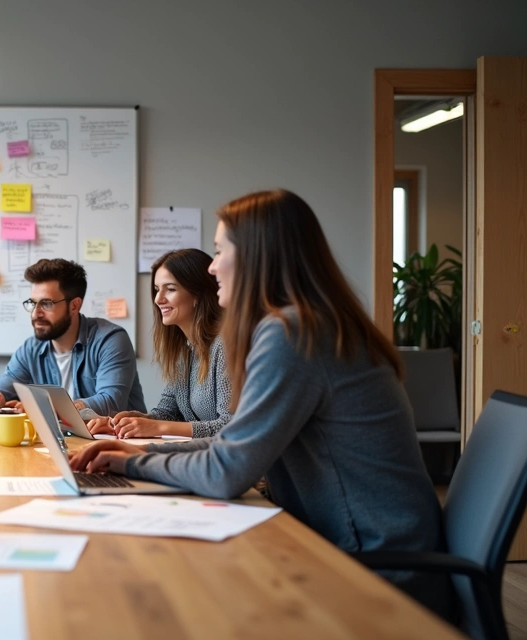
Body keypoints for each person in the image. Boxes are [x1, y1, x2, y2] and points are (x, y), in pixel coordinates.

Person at [69, 189, 452, 615]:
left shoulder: (294, 333)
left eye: (219, 251)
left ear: (257, 255)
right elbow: (235, 440)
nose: (212, 267)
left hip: (376, 566)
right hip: (361, 542)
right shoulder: (308, 322)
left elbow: (226, 471)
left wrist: (131, 464)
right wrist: (140, 452)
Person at [86, 248, 232, 438]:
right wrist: (128, 422)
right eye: (157, 290)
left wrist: (158, 427)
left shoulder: (225, 345)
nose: (158, 299)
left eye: (170, 289)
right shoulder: (185, 349)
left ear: (197, 294)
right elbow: (168, 413)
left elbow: (231, 426)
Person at [0, 258, 145, 416]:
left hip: (115, 437)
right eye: (33, 303)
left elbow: (111, 402)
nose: (35, 313)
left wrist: (42, 407)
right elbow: (1, 391)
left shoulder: (110, 340)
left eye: (46, 304)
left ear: (74, 305)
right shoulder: (31, 349)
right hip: (60, 438)